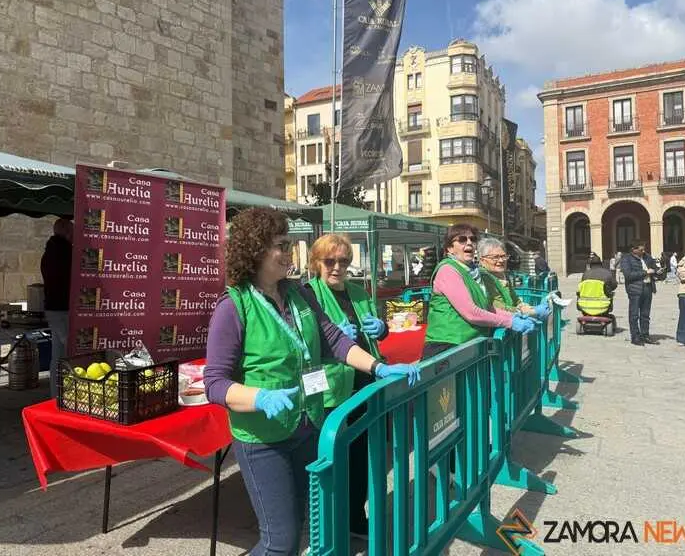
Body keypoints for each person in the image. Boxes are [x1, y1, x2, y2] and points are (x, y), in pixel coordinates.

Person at [203, 208, 419, 556]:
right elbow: (214, 382)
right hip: (263, 438)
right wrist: (260, 398)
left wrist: (377, 368)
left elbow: (335, 341)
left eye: (289, 244)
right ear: (256, 250)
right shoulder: (234, 306)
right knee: (279, 544)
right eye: (281, 245)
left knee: (299, 529)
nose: (289, 252)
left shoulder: (297, 294)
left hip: (307, 428)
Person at [300, 233, 386, 539]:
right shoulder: (307, 294)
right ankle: (326, 526)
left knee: (361, 455)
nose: (338, 267)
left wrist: (382, 328)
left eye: (344, 261)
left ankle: (354, 517)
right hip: (329, 390)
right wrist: (329, 340)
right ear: (316, 263)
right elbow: (300, 347)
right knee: (331, 460)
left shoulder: (358, 292)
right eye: (330, 261)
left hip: (364, 384)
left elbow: (376, 327)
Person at [423, 224, 537, 359]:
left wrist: (513, 316)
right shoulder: (448, 270)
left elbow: (486, 308)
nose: (469, 242)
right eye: (462, 239)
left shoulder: (471, 272)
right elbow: (471, 313)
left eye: (472, 239)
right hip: (447, 346)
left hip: (467, 345)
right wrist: (510, 322)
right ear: (449, 248)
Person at [477, 237, 551, 319]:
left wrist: (522, 305)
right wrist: (520, 311)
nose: (501, 260)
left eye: (503, 256)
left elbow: (515, 299)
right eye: (495, 257)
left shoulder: (503, 274)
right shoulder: (483, 277)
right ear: (482, 260)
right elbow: (496, 306)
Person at [41, 218, 73, 398]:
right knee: (70, 354)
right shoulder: (66, 253)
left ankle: (56, 395)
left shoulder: (48, 252)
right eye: (73, 232)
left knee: (58, 355)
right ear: (68, 233)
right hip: (64, 309)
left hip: (53, 308)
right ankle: (67, 394)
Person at [619, 239, 659, 346]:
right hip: (635, 289)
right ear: (634, 250)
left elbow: (654, 268)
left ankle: (645, 335)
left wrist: (657, 271)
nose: (643, 251)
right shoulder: (626, 259)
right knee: (634, 314)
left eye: (644, 249)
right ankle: (635, 337)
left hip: (648, 287)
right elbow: (628, 275)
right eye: (641, 249)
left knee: (645, 314)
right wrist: (645, 272)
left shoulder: (647, 257)